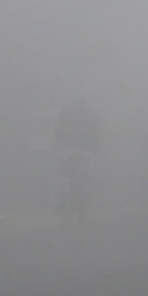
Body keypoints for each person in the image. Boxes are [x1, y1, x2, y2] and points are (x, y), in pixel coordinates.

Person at [54, 96, 99, 224]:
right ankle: (86, 204)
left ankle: (61, 200)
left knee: (62, 177)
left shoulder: (65, 112)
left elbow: (57, 130)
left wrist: (59, 145)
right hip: (85, 150)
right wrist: (95, 148)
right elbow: (95, 133)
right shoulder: (89, 113)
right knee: (87, 179)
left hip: (66, 150)